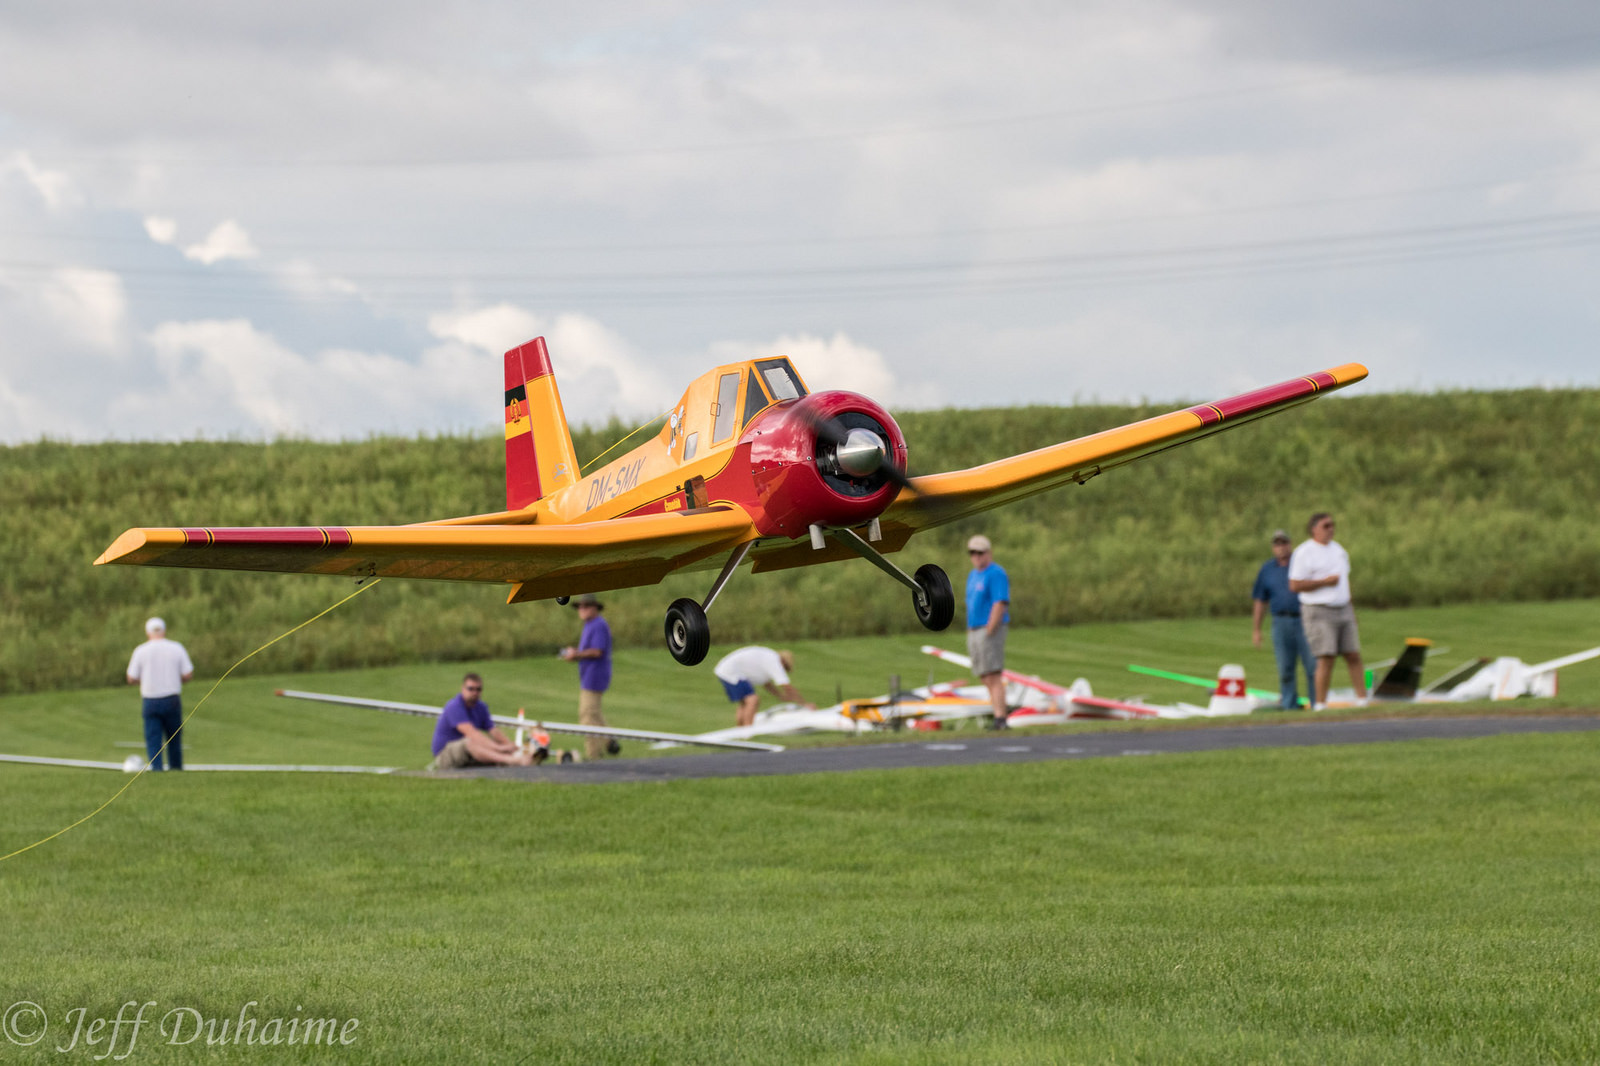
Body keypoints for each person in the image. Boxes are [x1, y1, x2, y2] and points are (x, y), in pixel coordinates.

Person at [1288, 512, 1367, 709]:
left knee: (1353, 654)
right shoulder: (1304, 552)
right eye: (1326, 526)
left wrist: (1352, 610)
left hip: (1343, 607)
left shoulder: (1338, 550)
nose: (1331, 529)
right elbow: (1295, 585)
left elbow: (1344, 584)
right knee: (1326, 656)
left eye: (1332, 525)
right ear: (1314, 529)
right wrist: (1324, 582)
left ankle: (1362, 700)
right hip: (1319, 610)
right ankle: (1320, 703)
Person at [1251, 529, 1315, 709]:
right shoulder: (1267, 569)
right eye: (1277, 544)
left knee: (1312, 665)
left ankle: (1317, 703)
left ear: (1290, 544)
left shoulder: (1300, 564)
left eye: (1284, 543)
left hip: (1304, 619)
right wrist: (1256, 629)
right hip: (1280, 621)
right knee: (1285, 667)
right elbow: (1260, 600)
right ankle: (1289, 705)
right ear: (1273, 547)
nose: (1281, 547)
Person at [125, 617, 194, 771]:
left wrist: (144, 681)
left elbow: (131, 677)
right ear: (163, 630)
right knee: (174, 737)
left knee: (153, 738)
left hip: (150, 699)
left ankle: (156, 769)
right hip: (171, 698)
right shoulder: (176, 648)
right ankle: (176, 769)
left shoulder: (141, 650)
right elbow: (188, 674)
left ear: (148, 632)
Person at [559, 593, 619, 760]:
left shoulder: (598, 625)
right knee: (594, 714)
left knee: (587, 716)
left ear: (595, 608)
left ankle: (593, 755)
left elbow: (597, 651)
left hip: (595, 676)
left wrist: (576, 655)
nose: (582, 609)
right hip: (589, 675)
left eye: (586, 606)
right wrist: (575, 654)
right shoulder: (590, 624)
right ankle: (610, 742)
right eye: (580, 606)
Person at [431, 673, 536, 768]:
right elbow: (472, 733)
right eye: (470, 689)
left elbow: (494, 731)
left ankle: (519, 760)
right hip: (446, 755)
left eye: (478, 689)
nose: (475, 692)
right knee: (470, 742)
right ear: (462, 689)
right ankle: (512, 761)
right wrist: (500, 748)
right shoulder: (454, 706)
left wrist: (510, 747)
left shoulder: (481, 707)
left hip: (468, 754)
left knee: (489, 746)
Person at [964, 534, 1011, 728]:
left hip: (988, 628)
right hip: (975, 628)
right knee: (984, 675)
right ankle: (997, 715)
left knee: (993, 674)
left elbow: (1000, 602)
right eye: (972, 553)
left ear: (988, 553)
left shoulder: (996, 573)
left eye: (980, 553)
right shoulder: (973, 575)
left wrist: (991, 628)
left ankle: (1001, 717)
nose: (976, 556)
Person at [713, 646, 813, 727]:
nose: (783, 671)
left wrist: (780, 696)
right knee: (753, 700)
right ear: (784, 663)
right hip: (732, 672)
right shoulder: (774, 661)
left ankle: (739, 730)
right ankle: (747, 732)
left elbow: (767, 684)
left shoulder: (768, 657)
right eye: (785, 668)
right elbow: (787, 686)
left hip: (725, 670)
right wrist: (804, 704)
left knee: (744, 703)